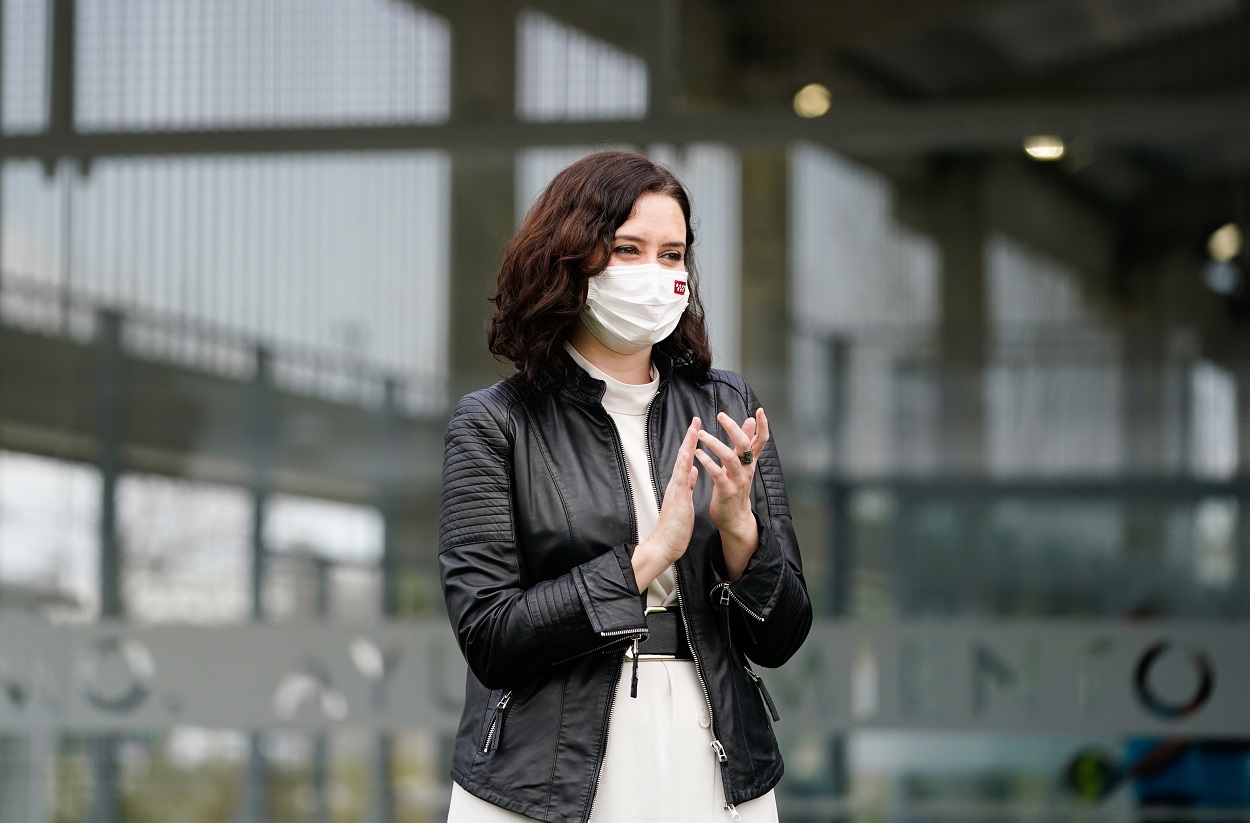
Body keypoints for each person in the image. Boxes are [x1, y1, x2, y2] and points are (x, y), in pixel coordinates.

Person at [438, 150, 812, 823]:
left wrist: (738, 531)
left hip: (713, 755)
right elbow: (490, 634)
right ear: (568, 258)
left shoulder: (727, 403)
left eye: (673, 255)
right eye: (627, 249)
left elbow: (781, 635)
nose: (656, 273)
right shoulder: (496, 422)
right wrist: (647, 557)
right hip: (543, 775)